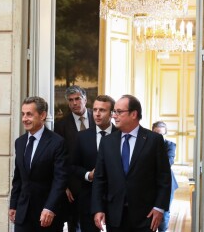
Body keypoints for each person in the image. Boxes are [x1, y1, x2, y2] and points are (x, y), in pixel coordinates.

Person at [91, 94, 171, 232]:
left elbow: (164, 177)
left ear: (134, 114)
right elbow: (99, 178)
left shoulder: (154, 140)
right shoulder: (107, 142)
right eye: (114, 112)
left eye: (119, 112)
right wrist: (98, 208)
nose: (114, 116)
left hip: (146, 216)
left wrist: (159, 207)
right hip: (115, 215)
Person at [9, 96, 68, 232]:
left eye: (29, 114)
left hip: (47, 215)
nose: (24, 119)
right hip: (23, 213)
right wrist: (13, 205)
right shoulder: (20, 142)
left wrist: (50, 207)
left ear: (42, 115)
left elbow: (60, 180)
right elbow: (18, 177)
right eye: (23, 114)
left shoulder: (57, 142)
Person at [72, 95, 117, 232]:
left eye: (102, 110)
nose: (97, 113)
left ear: (112, 113)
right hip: (89, 199)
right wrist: (88, 175)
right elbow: (72, 166)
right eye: (95, 109)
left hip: (116, 200)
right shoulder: (82, 136)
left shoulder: (121, 135)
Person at [54, 85, 96, 232]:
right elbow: (60, 158)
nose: (74, 103)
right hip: (73, 185)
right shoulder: (61, 126)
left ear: (85, 99)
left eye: (77, 99)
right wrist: (64, 186)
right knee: (74, 224)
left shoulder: (97, 118)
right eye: (70, 100)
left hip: (96, 181)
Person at [152, 121, 179, 232]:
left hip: (167, 183)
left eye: (161, 134)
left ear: (165, 134)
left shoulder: (170, 145)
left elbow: (168, 162)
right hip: (150, 182)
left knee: (164, 212)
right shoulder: (146, 144)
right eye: (156, 133)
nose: (159, 136)